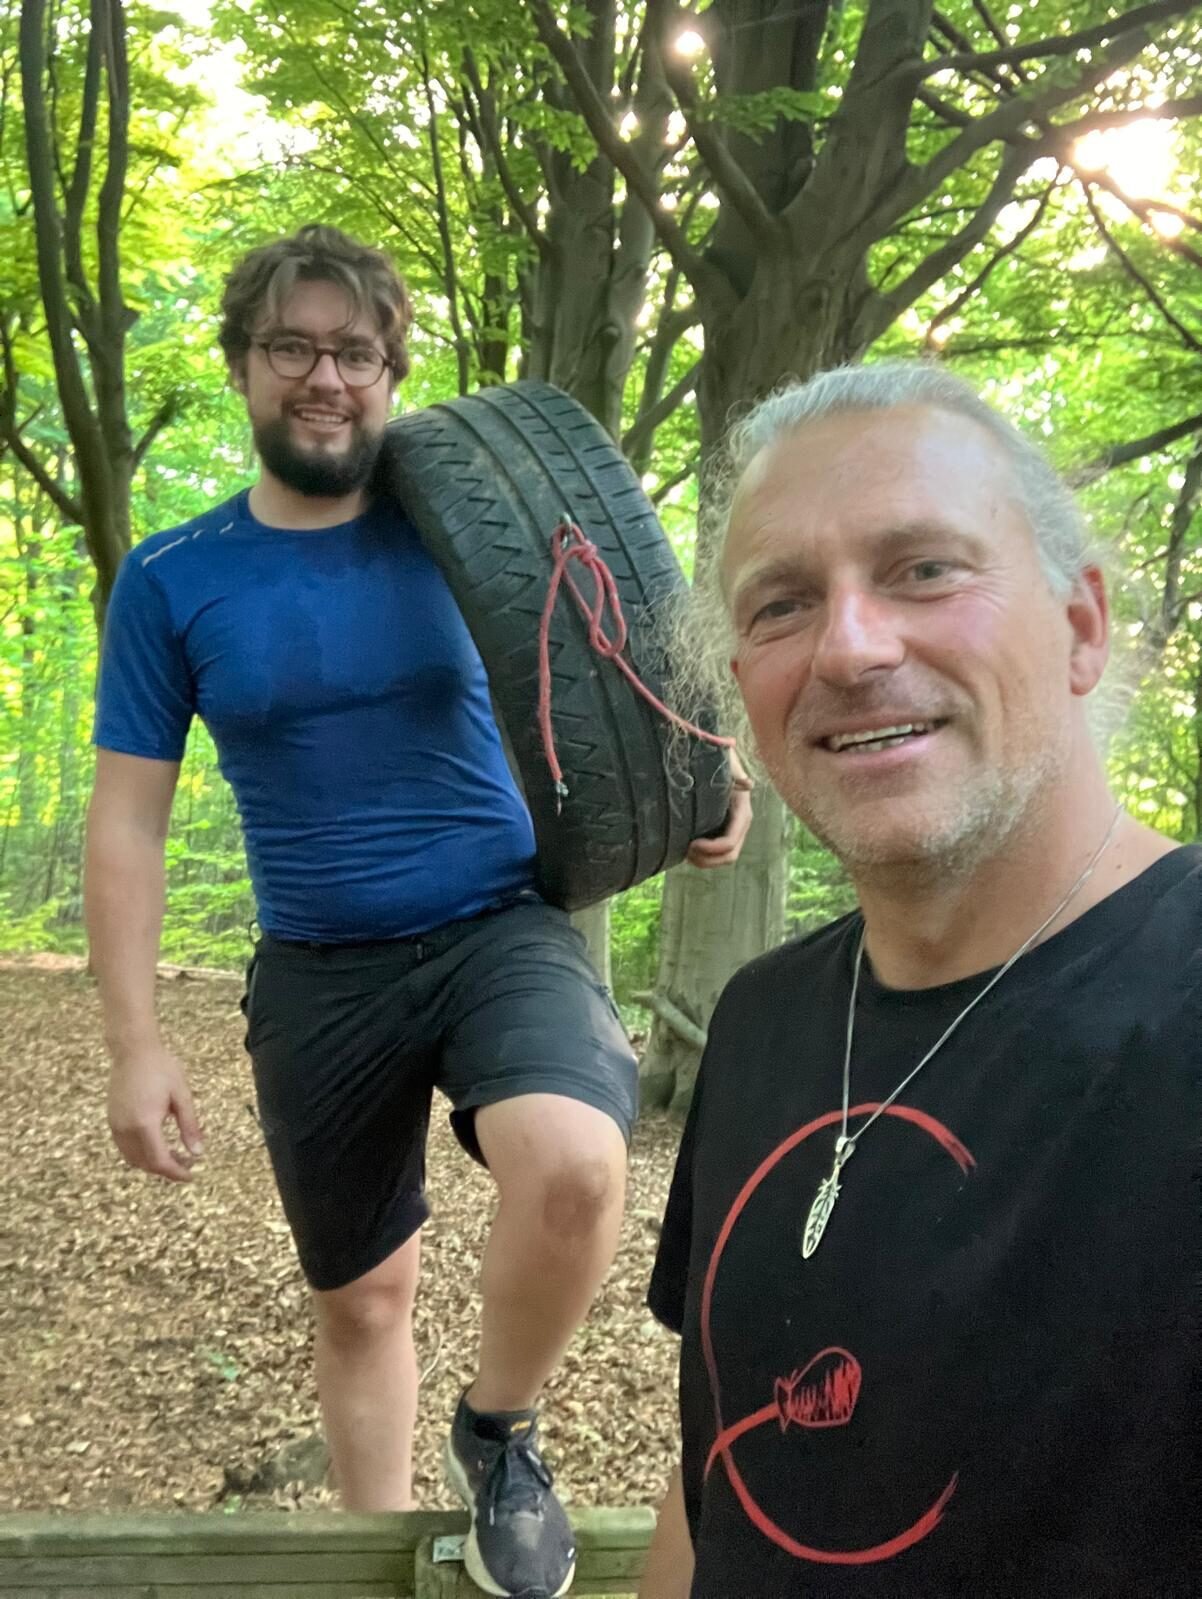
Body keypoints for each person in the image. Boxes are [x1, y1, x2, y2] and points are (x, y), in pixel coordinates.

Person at [84, 223, 750, 1599]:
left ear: (392, 373)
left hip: (497, 927)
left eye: (355, 351)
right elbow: (128, 820)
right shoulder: (171, 576)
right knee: (363, 1299)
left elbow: (619, 654)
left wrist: (700, 773)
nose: (324, 377)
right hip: (317, 969)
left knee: (575, 1163)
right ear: (241, 366)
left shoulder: (464, 521)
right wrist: (135, 1041)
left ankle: (497, 1432)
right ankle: (371, 1540)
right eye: (291, 346)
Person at [639, 361, 1201, 1599]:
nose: (848, 647)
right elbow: (713, 1479)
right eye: (780, 604)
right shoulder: (760, 1022)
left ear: (1080, 626)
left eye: (924, 569)